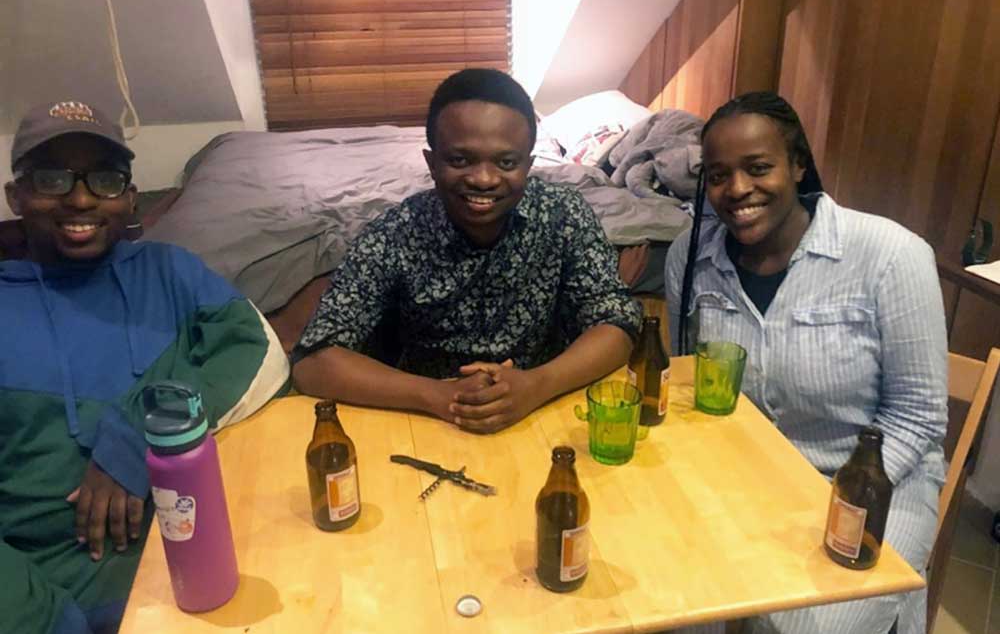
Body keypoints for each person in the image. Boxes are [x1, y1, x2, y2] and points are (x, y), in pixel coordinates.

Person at [1, 101, 290, 634]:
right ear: (16, 196)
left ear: (130, 197)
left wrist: (137, 438)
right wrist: (48, 619)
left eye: (105, 180)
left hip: (198, 563)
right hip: (43, 593)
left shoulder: (169, 270)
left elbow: (261, 354)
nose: (81, 198)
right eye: (53, 177)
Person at [665, 91, 946, 634]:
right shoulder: (690, 257)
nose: (737, 190)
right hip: (742, 478)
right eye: (718, 175)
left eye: (758, 168)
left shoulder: (891, 255)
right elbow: (689, 380)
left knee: (803, 626)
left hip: (876, 482)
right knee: (675, 600)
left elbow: (918, 415)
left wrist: (829, 496)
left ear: (798, 165)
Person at [292, 69, 641, 433]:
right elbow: (313, 361)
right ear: (432, 163)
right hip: (424, 419)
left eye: (506, 163)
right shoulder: (395, 232)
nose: (484, 179)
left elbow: (617, 322)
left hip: (541, 410)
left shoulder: (564, 214)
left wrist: (537, 384)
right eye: (460, 160)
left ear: (528, 166)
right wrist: (440, 396)